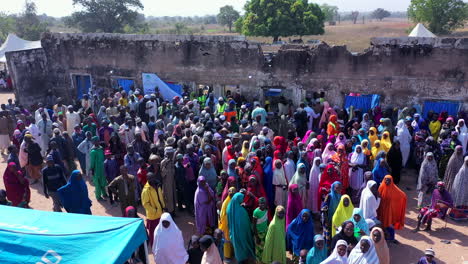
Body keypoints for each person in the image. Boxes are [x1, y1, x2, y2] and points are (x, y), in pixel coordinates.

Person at [227, 192, 255, 263]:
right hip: (242, 233)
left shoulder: (229, 207)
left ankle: (240, 259)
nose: (243, 200)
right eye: (242, 199)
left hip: (233, 232)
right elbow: (246, 224)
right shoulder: (241, 211)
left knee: (238, 247)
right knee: (244, 246)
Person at [141, 173, 165, 248]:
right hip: (153, 216)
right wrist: (155, 211)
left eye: (152, 177)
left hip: (161, 213)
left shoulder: (158, 185)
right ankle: (154, 248)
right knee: (153, 234)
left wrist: (163, 207)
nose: (151, 180)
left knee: (161, 232)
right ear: (147, 179)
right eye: (149, 178)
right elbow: (145, 204)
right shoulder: (146, 190)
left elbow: (160, 197)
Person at [218, 187, 236, 260]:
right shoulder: (226, 202)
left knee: (231, 239)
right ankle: (227, 256)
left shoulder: (234, 200)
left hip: (232, 223)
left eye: (233, 193)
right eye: (230, 193)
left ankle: (232, 253)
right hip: (226, 224)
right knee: (227, 240)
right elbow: (222, 215)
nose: (232, 194)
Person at [89, 136, 107, 200]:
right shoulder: (93, 151)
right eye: (96, 141)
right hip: (96, 169)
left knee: (102, 181)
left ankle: (104, 193)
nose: (97, 142)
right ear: (93, 142)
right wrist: (92, 169)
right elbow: (92, 162)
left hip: (102, 168)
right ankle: (98, 196)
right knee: (97, 183)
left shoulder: (101, 148)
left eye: (98, 140)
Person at [253, 197, 269, 261]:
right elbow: (254, 226)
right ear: (258, 204)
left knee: (264, 248)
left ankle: (263, 260)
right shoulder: (256, 212)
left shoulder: (266, 209)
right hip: (258, 233)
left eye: (264, 203)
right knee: (258, 249)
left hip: (265, 231)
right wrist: (256, 237)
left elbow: (267, 220)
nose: (262, 205)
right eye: (261, 203)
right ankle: (258, 261)